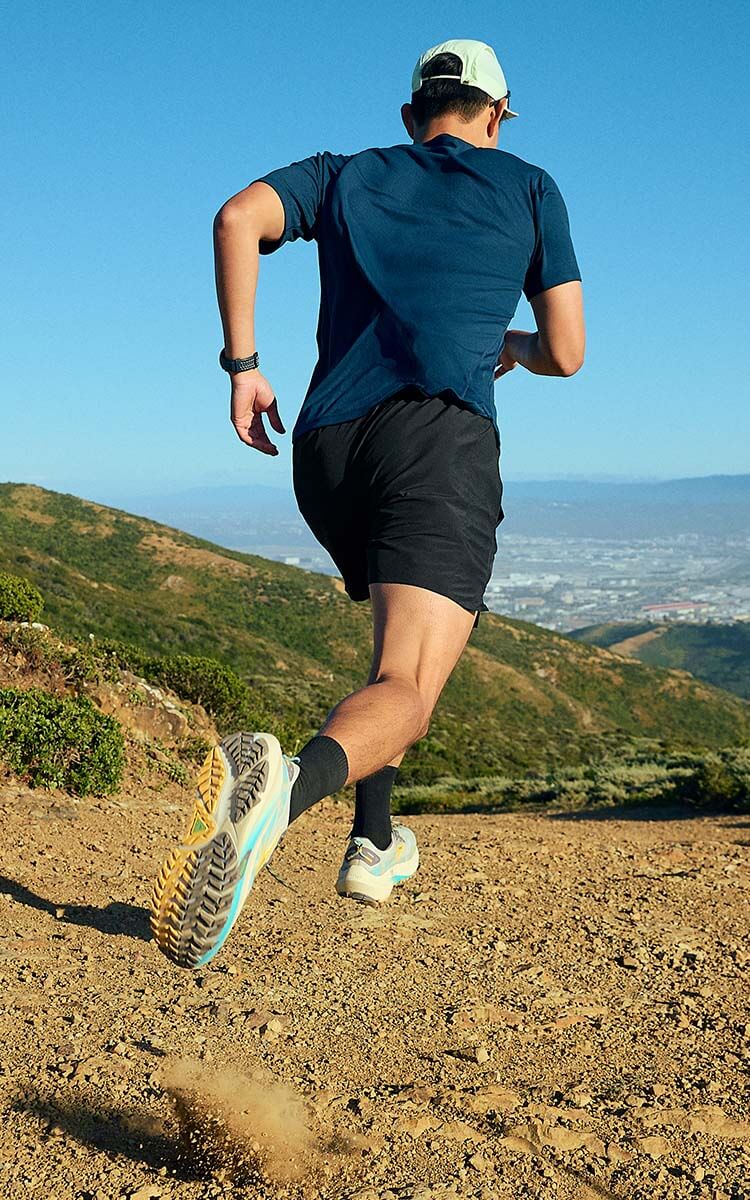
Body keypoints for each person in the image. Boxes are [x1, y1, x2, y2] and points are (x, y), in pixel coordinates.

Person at [150, 38, 585, 969]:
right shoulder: (530, 186)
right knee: (408, 690)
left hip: (327, 449)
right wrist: (507, 344)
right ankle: (284, 797)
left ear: (409, 115)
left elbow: (236, 218)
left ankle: (374, 843)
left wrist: (243, 366)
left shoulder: (343, 174)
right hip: (440, 441)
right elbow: (568, 349)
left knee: (389, 655)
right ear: (498, 117)